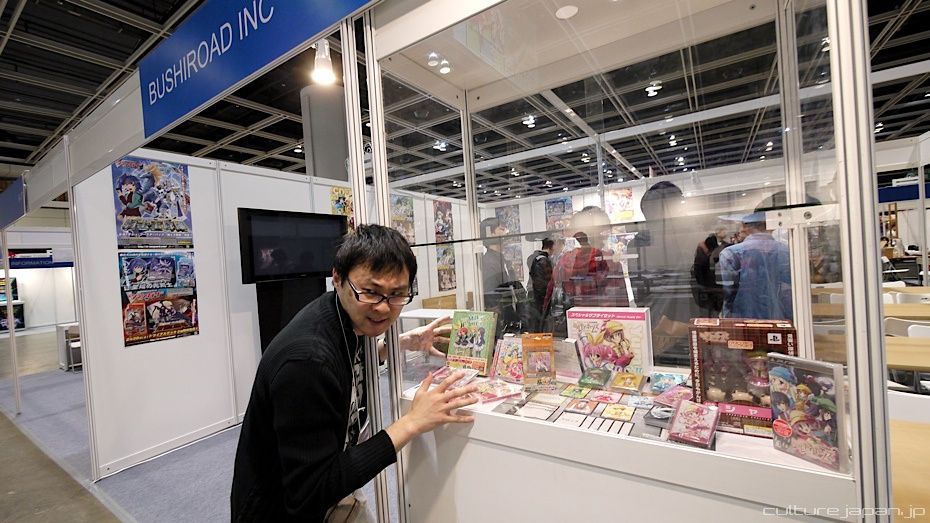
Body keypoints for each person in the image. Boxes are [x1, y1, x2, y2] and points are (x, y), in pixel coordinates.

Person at [231, 224, 478, 521]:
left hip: (328, 488)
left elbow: (347, 358)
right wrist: (411, 423)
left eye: (397, 294)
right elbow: (311, 491)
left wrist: (397, 344)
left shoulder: (342, 316)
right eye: (371, 292)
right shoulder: (307, 361)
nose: (384, 308)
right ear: (337, 278)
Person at [718, 211, 793, 320]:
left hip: (742, 319)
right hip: (780, 319)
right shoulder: (787, 251)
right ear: (771, 227)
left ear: (744, 227)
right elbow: (790, 288)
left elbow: (728, 294)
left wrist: (725, 317)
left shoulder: (730, 254)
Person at [479, 217, 526, 336]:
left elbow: (515, 289)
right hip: (502, 325)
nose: (506, 232)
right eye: (501, 229)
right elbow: (492, 299)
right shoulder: (489, 262)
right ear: (491, 233)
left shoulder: (502, 260)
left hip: (512, 322)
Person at [691, 225, 730, 316]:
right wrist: (703, 287)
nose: (725, 232)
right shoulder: (705, 248)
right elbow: (700, 269)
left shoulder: (722, 244)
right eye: (723, 230)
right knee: (709, 311)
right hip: (707, 285)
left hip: (711, 285)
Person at [526, 237, 557, 330]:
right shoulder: (544, 260)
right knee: (540, 321)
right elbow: (543, 283)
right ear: (551, 247)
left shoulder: (534, 258)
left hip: (535, 295)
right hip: (540, 297)